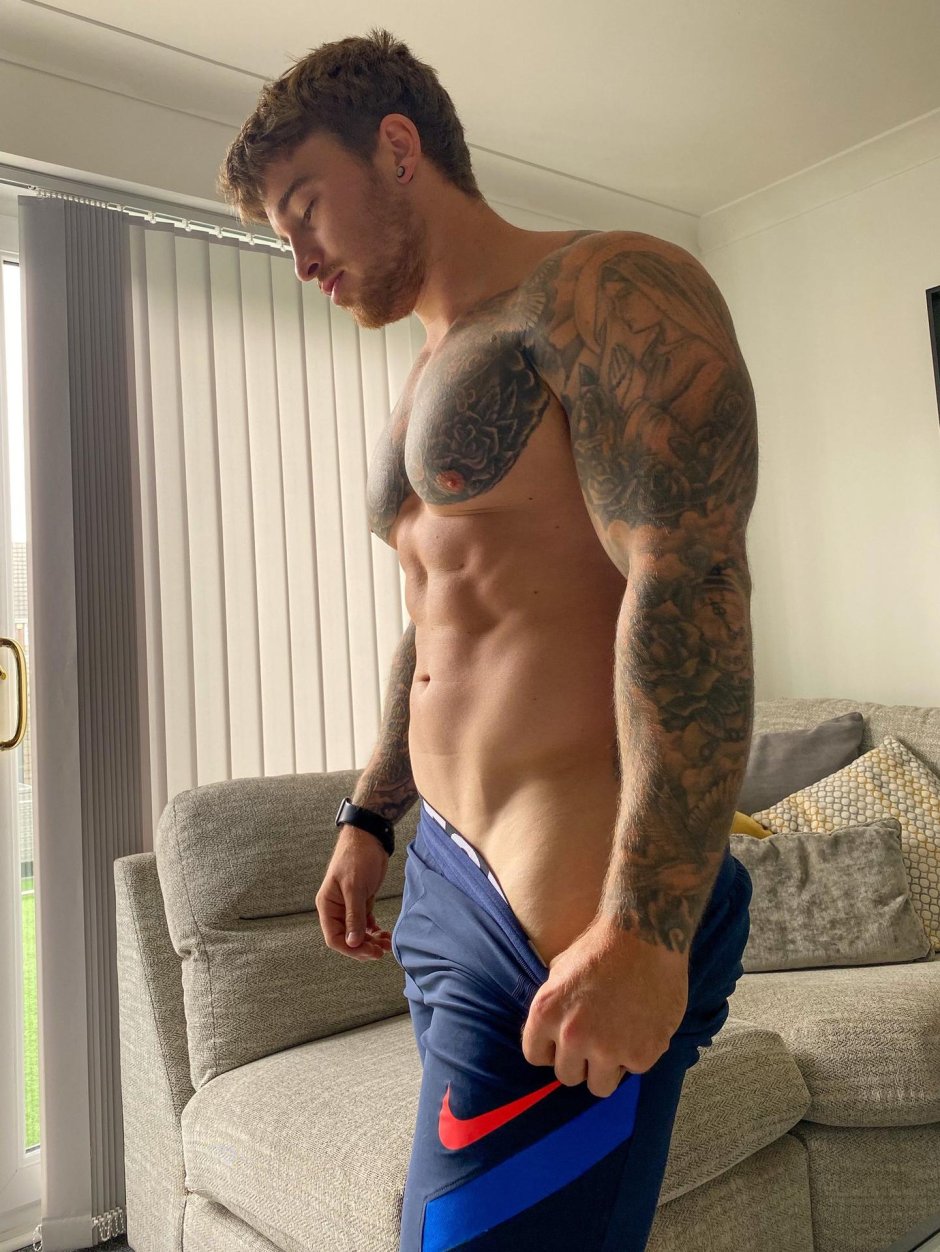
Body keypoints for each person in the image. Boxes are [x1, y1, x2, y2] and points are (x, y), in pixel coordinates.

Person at [219, 26, 758, 1252]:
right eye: (280, 235)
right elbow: (437, 614)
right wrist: (371, 816)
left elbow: (690, 578)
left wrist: (646, 927)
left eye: (306, 210)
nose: (300, 258)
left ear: (396, 149)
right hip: (448, 880)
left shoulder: (606, 289)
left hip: (571, 898)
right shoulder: (426, 372)